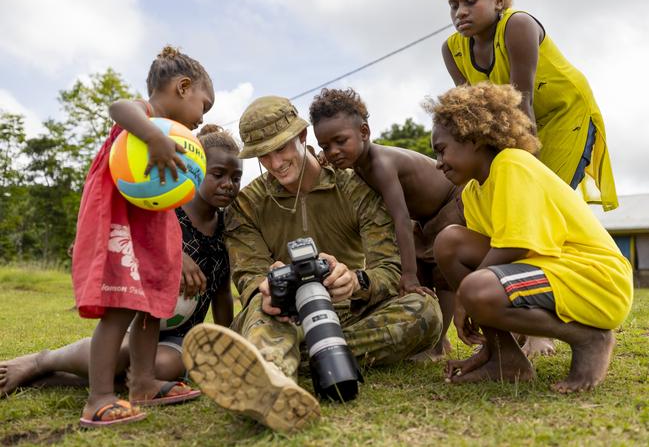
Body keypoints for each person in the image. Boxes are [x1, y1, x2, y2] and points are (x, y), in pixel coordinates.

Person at [182, 96, 442, 432]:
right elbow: (249, 278)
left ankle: (263, 365)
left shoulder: (355, 188)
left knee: (425, 311)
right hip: (280, 317)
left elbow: (388, 271)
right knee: (261, 308)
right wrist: (267, 285)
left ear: (302, 137)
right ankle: (272, 378)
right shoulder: (246, 205)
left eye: (281, 148)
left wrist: (356, 280)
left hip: (345, 312)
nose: (275, 163)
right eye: (264, 154)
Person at [0, 124, 241, 403]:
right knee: (122, 355)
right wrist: (173, 255)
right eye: (218, 174)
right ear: (194, 169)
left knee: (164, 368)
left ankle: (53, 380)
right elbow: (123, 238)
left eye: (236, 177)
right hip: (136, 325)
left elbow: (222, 294)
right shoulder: (162, 210)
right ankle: (42, 362)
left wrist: (227, 347)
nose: (228, 184)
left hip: (179, 336)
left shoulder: (228, 230)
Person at [426, 82, 632, 393]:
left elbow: (515, 245)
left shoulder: (512, 164)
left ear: (475, 138)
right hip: (552, 274)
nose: (439, 162)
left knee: (478, 288)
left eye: (442, 150)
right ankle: (503, 357)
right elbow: (487, 257)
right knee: (449, 242)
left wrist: (464, 299)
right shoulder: (473, 193)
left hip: (595, 279)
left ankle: (590, 338)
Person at [71, 46, 214, 427]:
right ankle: (99, 398)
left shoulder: (174, 135)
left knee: (152, 305)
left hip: (153, 220)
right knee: (120, 308)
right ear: (183, 87)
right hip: (121, 220)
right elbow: (118, 107)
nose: (202, 119)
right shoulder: (147, 116)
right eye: (205, 105)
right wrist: (152, 136)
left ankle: (144, 383)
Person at [442, 0, 617, 210]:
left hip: (564, 113)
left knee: (547, 200)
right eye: (453, 5)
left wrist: (529, 172)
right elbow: (476, 118)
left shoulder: (518, 25)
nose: (460, 11)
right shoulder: (452, 50)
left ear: (499, 1)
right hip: (518, 122)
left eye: (471, 0)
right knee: (513, 201)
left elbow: (522, 102)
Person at [309, 87, 464, 359]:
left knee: (441, 275)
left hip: (449, 201)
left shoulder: (380, 164)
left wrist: (408, 275)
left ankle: (438, 345)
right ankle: (434, 340)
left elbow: (401, 219)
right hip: (426, 217)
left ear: (365, 133)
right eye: (325, 146)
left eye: (340, 141)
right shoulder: (356, 162)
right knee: (423, 272)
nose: (333, 151)